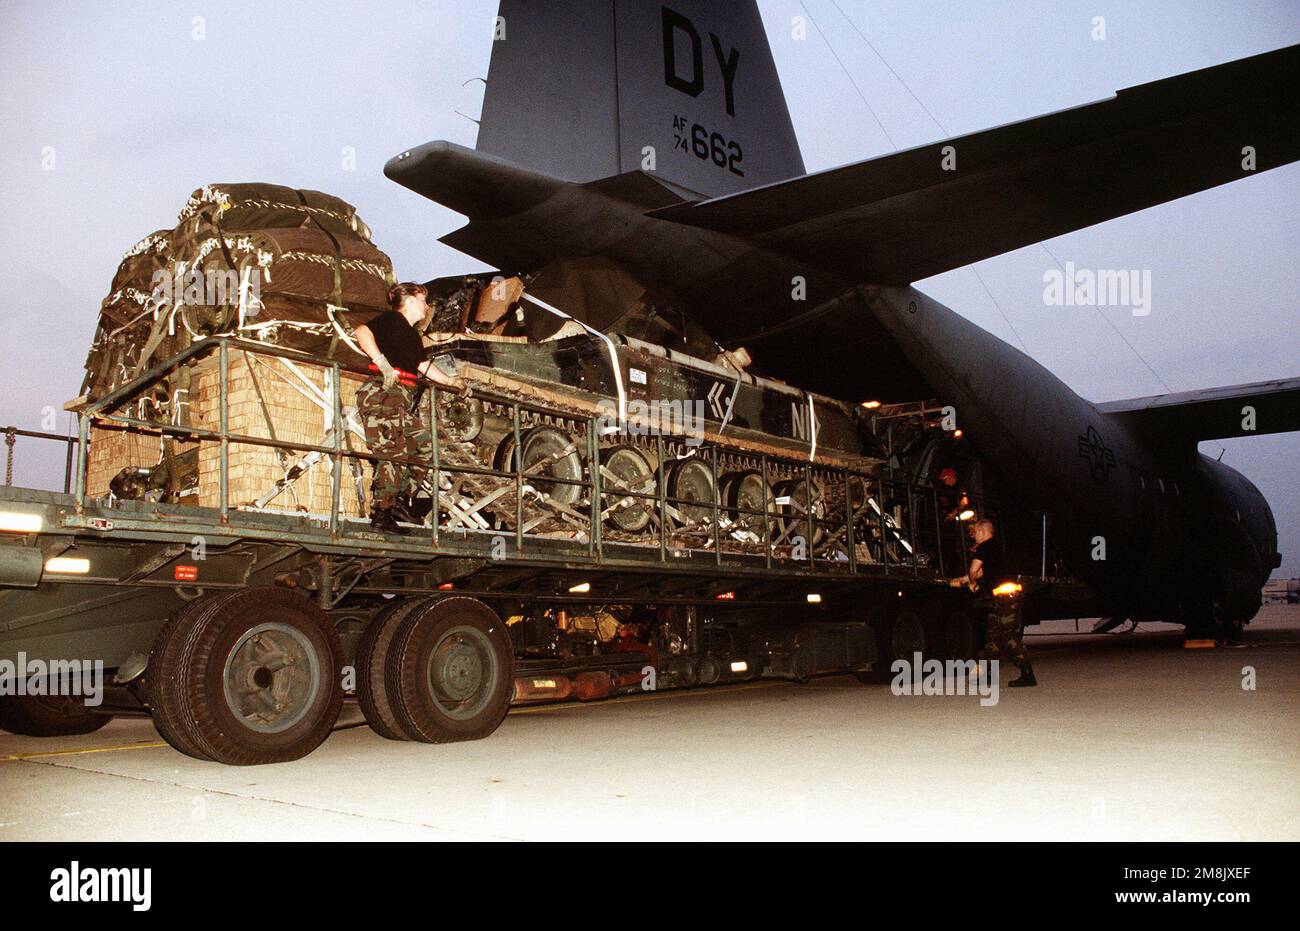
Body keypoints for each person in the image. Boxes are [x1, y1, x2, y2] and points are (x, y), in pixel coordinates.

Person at [354, 282, 461, 533]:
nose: (427, 306)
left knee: (425, 443)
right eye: (424, 300)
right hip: (383, 393)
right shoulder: (392, 319)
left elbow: (421, 365)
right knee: (393, 451)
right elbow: (361, 331)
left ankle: (400, 501)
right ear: (411, 300)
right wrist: (382, 363)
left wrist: (450, 382)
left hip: (399, 398)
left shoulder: (411, 334)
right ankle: (382, 515)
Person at [950, 518, 1037, 687]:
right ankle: (988, 674)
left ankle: (1028, 673)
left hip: (1006, 596)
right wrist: (963, 580)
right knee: (992, 636)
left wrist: (972, 584)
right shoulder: (995, 547)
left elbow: (974, 570)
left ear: (983, 532)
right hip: (1003, 596)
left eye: (975, 532)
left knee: (1008, 636)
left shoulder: (984, 547)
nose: (974, 536)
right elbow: (982, 571)